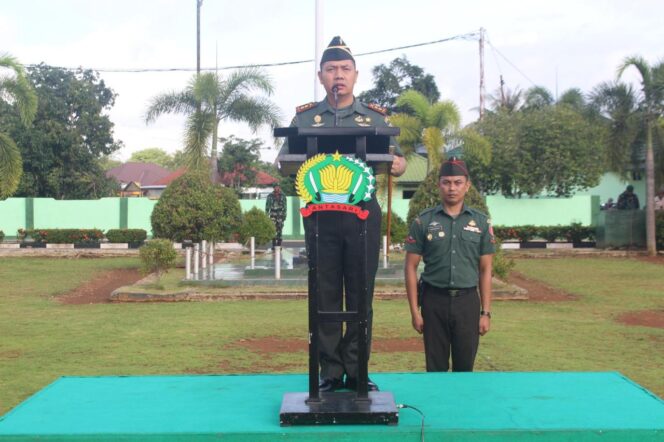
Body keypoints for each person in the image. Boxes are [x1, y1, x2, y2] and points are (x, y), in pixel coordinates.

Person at [278, 36, 407, 392]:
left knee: (361, 293)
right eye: (332, 69)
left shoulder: (375, 118)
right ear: (320, 75)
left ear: (356, 75)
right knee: (326, 294)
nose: (339, 75)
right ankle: (331, 373)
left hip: (362, 216)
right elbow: (285, 160)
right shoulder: (305, 117)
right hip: (320, 217)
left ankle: (358, 370)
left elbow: (397, 160)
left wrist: (398, 163)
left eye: (345, 69)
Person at [404, 157, 495, 372]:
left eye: (457, 182)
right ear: (439, 185)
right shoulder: (423, 221)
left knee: (465, 367)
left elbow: (485, 270)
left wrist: (486, 313)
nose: (452, 188)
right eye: (446, 182)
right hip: (433, 301)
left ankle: (463, 405)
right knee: (435, 368)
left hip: (467, 303)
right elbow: (410, 267)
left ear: (467, 185)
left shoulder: (481, 223)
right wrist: (415, 312)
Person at [265, 184, 287, 248]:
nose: (276, 188)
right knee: (273, 229)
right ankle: (274, 245)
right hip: (272, 214)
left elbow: (285, 206)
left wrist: (284, 215)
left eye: (277, 187)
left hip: (280, 214)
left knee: (280, 229)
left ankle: (279, 245)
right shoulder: (270, 196)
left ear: (279, 188)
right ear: (273, 188)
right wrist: (266, 214)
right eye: (275, 187)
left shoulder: (283, 196)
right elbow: (267, 206)